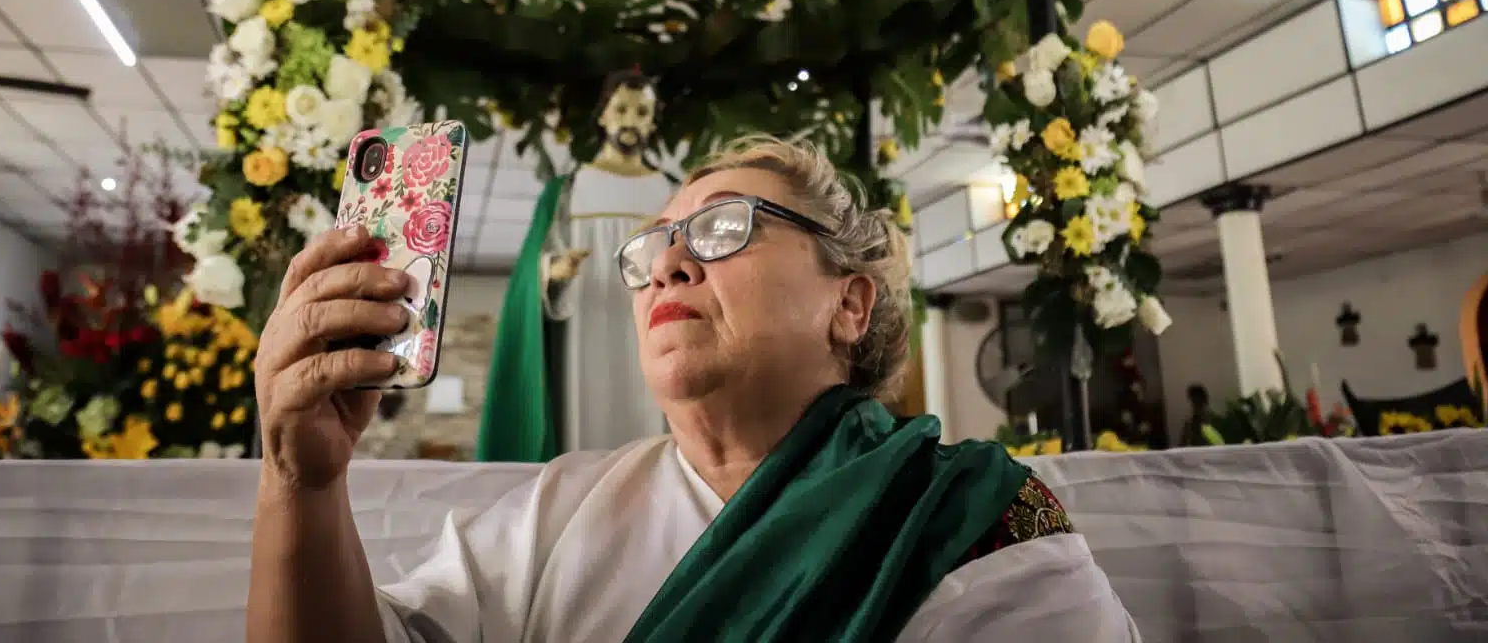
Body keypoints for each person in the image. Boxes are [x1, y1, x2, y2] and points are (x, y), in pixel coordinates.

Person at [248, 136, 1139, 642]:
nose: (666, 262)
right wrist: (300, 483)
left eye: (722, 227)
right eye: (651, 246)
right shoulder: (556, 513)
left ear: (851, 301)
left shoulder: (973, 519)